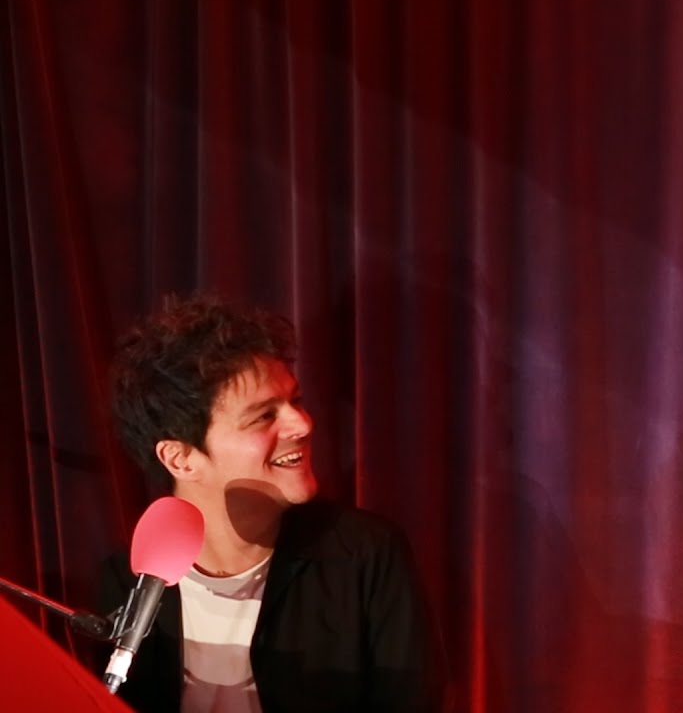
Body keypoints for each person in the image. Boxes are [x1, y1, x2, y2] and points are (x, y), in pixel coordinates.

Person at [100, 295, 447, 711]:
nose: (302, 424)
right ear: (182, 459)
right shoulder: (127, 581)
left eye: (295, 401)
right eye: (263, 416)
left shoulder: (365, 556)